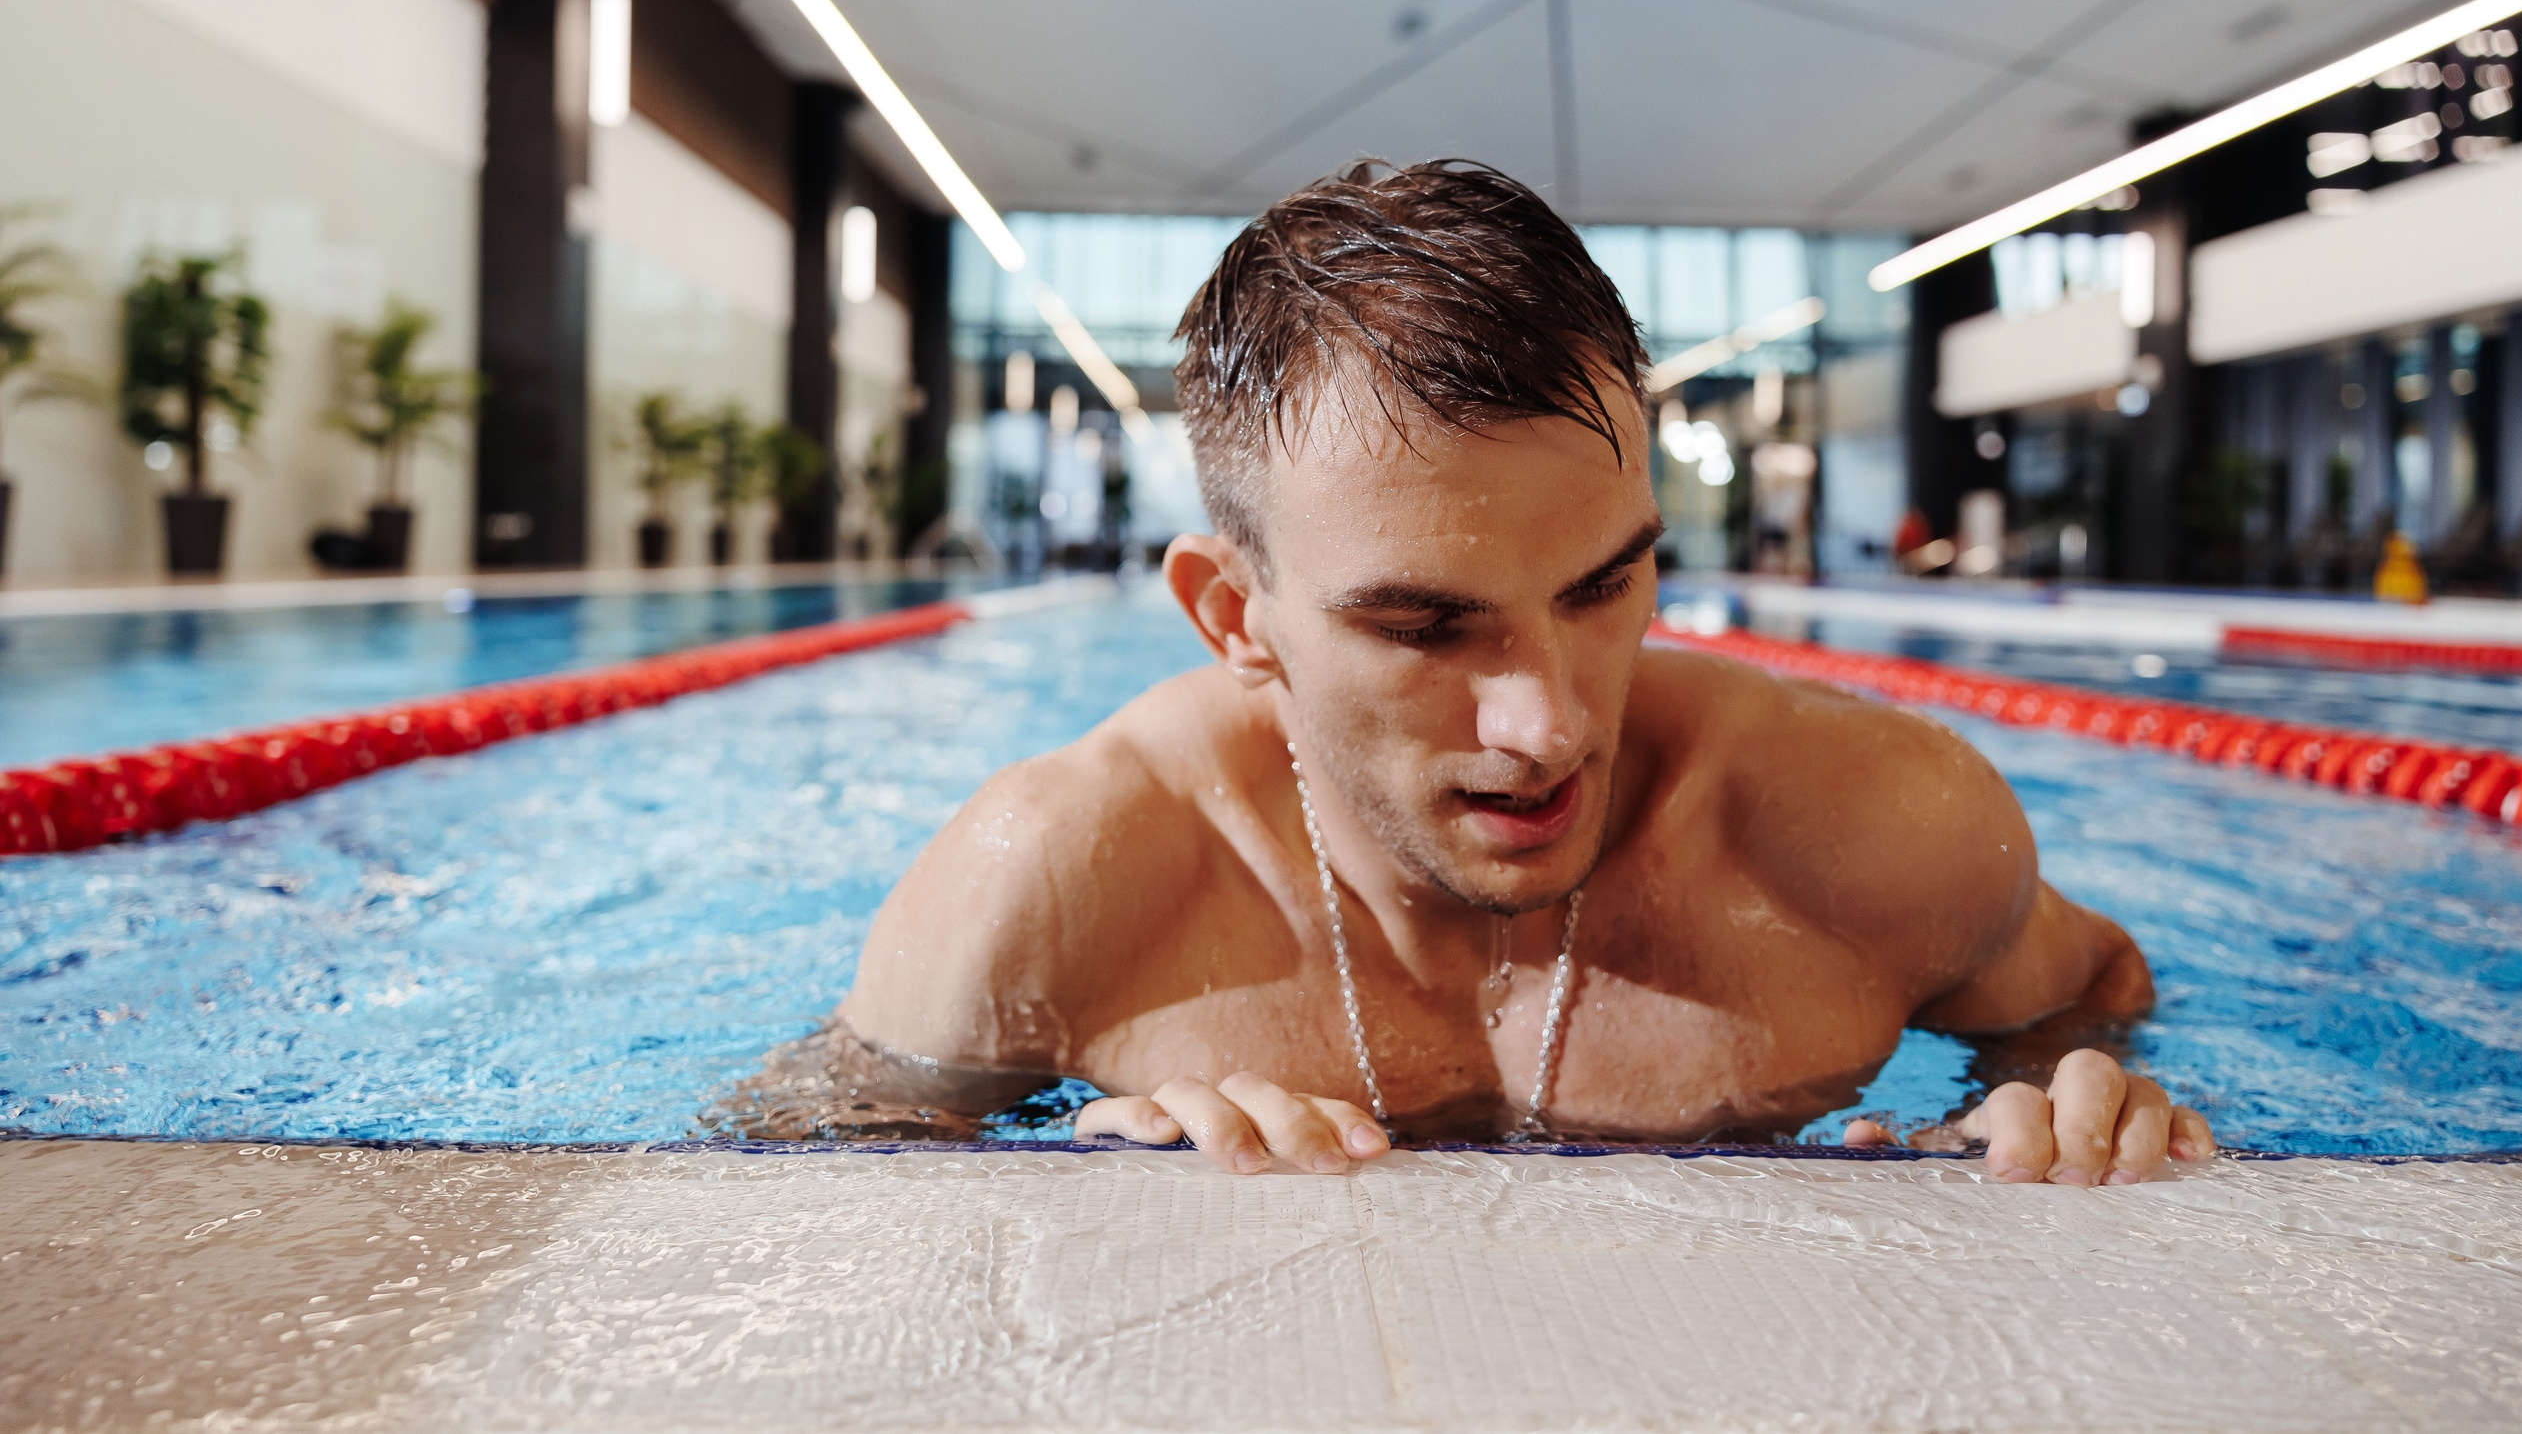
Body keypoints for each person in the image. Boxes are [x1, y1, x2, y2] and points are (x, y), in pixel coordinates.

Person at [835, 159, 2215, 1183]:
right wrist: (1065, 1177)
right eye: (1424, 627)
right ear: (1231, 615)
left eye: (1604, 586)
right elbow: (804, 1173)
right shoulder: (1047, 889)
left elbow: (2094, 989)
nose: (1549, 724)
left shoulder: (1873, 825)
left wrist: (2071, 1100)